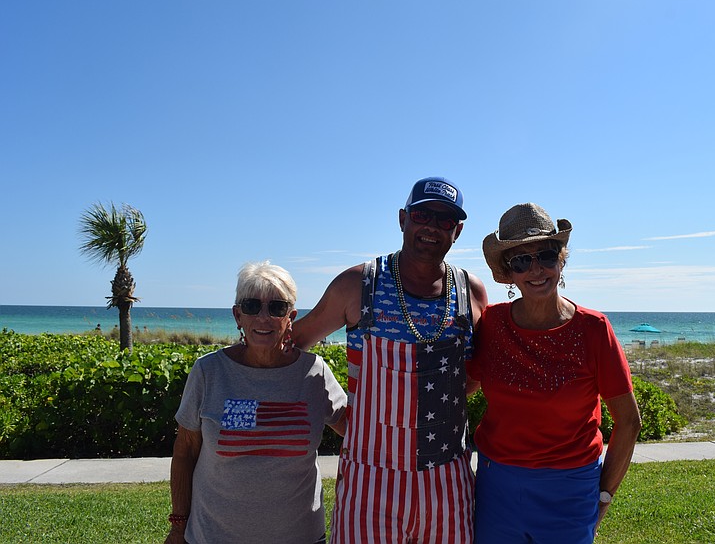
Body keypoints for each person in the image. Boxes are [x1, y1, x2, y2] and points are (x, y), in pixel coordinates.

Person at [293, 176, 489, 543]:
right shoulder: (358, 284)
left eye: (444, 220)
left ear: (457, 230)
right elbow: (297, 344)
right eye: (422, 215)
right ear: (403, 218)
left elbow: (475, 372)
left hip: (447, 480)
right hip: (369, 480)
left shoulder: (470, 292)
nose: (431, 227)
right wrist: (334, 410)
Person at [468, 203, 642, 543]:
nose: (536, 270)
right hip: (497, 488)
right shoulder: (491, 323)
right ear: (509, 271)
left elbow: (629, 421)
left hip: (570, 489)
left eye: (546, 256)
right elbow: (464, 386)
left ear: (561, 260)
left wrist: (604, 495)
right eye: (521, 260)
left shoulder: (593, 329)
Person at [165, 261, 347, 544]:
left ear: (291, 317)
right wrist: (178, 526)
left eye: (276, 308)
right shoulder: (209, 372)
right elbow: (185, 451)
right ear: (238, 316)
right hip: (213, 536)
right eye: (252, 306)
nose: (264, 317)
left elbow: (358, 432)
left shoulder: (314, 372)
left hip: (300, 537)